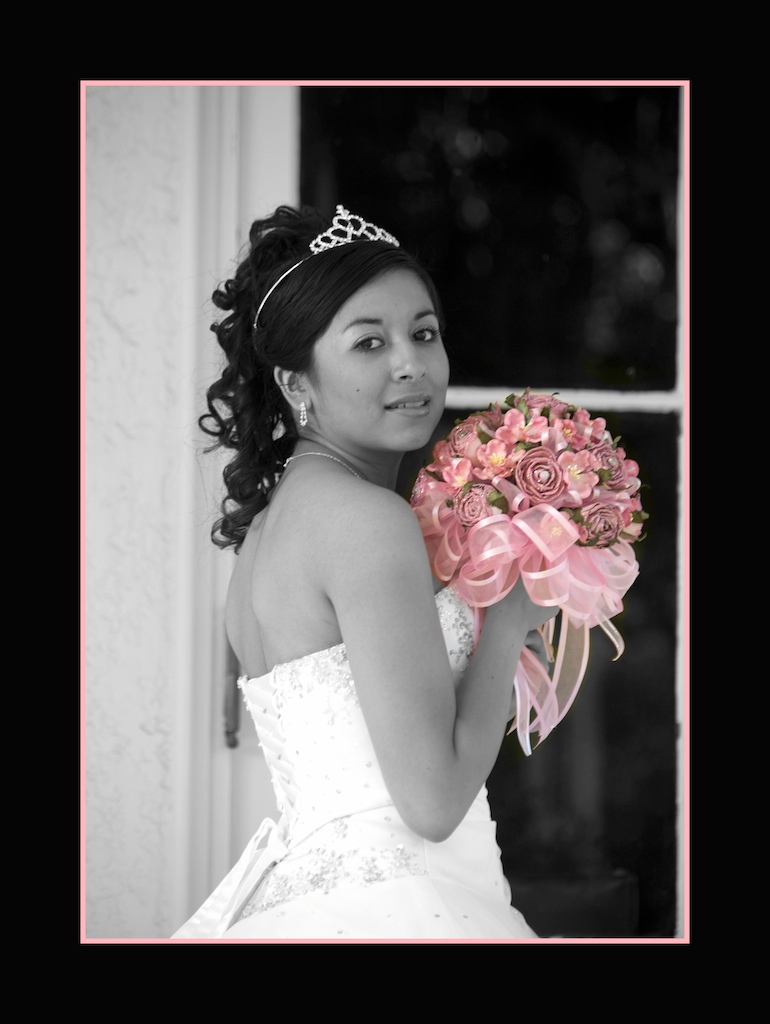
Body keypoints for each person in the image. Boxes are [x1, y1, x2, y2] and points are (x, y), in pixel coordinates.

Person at [172, 204, 558, 940]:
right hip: (405, 907)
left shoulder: (269, 533)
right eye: (369, 342)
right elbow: (433, 802)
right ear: (295, 380)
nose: (409, 362)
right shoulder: (365, 522)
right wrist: (508, 621)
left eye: (423, 333)